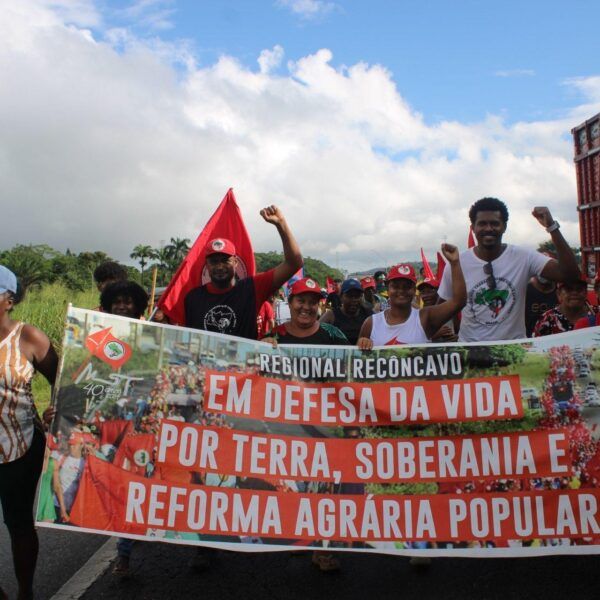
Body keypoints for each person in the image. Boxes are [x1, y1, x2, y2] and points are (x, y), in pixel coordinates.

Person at [262, 277, 347, 571]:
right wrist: (259, 349)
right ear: (291, 303)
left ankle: (322, 550)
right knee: (294, 487)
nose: (307, 307)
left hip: (324, 429)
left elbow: (353, 373)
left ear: (319, 305)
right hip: (288, 429)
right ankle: (300, 536)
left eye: (313, 301)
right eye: (301, 300)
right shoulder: (274, 337)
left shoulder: (334, 336)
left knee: (324, 489)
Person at [437, 197, 580, 341]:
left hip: (513, 353)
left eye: (494, 223)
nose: (488, 228)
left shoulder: (524, 257)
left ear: (504, 226)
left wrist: (552, 227)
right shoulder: (456, 263)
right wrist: (434, 333)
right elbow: (439, 310)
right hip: (471, 352)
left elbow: (570, 275)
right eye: (482, 224)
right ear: (473, 227)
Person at [0, 265, 58, 600]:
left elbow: (62, 381)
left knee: (18, 523)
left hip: (19, 447)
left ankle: (25, 592)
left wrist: (54, 411)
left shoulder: (28, 337)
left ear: (9, 300)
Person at [185, 205, 302, 339]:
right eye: (214, 261)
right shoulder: (192, 298)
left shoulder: (252, 289)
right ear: (207, 265)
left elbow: (295, 262)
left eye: (225, 260)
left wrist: (281, 224)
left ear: (235, 262)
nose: (220, 266)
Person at [99, 280, 149, 577]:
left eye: (128, 301)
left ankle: (124, 552)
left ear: (137, 305)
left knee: (135, 484)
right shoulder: (99, 338)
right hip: (109, 425)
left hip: (139, 427)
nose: (121, 305)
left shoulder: (149, 337)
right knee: (120, 486)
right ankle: (126, 546)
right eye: (116, 301)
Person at [357, 244, 465, 348]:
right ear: (388, 289)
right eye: (395, 286)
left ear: (414, 290)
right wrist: (363, 343)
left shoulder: (425, 318)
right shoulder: (371, 323)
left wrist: (455, 263)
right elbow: (356, 359)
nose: (401, 291)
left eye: (407, 287)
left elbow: (458, 302)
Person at [533, 278, 597, 336]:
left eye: (579, 289)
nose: (574, 292)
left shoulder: (596, 314)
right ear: (559, 294)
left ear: (586, 293)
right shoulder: (546, 320)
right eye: (568, 289)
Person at [319, 279, 372, 344]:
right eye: (350, 296)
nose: (354, 300)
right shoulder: (331, 315)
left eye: (357, 296)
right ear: (341, 297)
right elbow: (315, 331)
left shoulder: (369, 315)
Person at [416, 276, 457, 342]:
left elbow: (459, 332)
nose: (426, 296)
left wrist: (458, 337)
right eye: (423, 292)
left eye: (429, 291)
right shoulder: (417, 315)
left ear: (440, 292)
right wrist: (434, 336)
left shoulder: (450, 312)